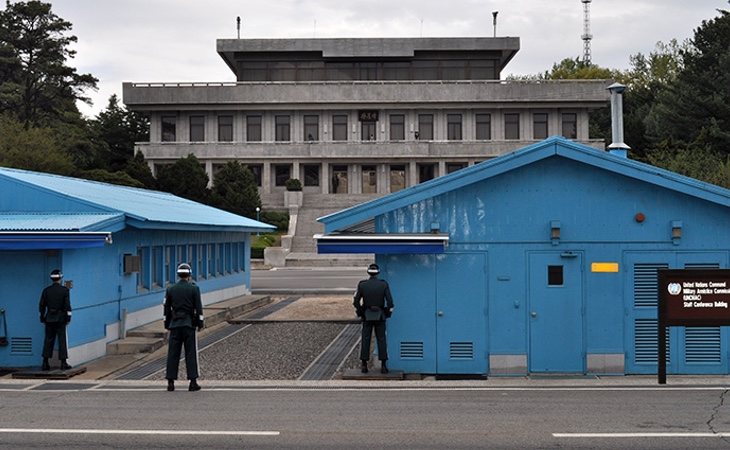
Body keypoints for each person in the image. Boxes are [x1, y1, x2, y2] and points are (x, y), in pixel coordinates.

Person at [163, 263, 204, 391]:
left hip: (175, 324)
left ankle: (170, 381)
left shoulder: (170, 289)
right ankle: (192, 381)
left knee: (172, 353)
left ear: (178, 274)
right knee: (191, 353)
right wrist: (200, 323)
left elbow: (166, 308)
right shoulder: (194, 289)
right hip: (188, 324)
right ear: (189, 275)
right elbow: (198, 308)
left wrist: (167, 323)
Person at [353, 263, 394, 374]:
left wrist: (361, 311)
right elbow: (390, 302)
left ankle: (364, 365)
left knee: (366, 338)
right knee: (381, 339)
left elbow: (356, 301)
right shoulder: (383, 284)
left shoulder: (362, 285)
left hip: (367, 314)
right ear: (378, 273)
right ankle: (384, 365)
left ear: (368, 272)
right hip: (380, 315)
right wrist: (386, 312)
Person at [39, 269, 72, 371]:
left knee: (48, 340)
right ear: (60, 278)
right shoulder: (64, 290)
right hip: (61, 318)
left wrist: (42, 316)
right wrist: (68, 317)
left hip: (49, 318)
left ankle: (45, 362)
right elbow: (67, 306)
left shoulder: (46, 290)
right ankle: (63, 363)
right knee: (62, 340)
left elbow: (41, 305)